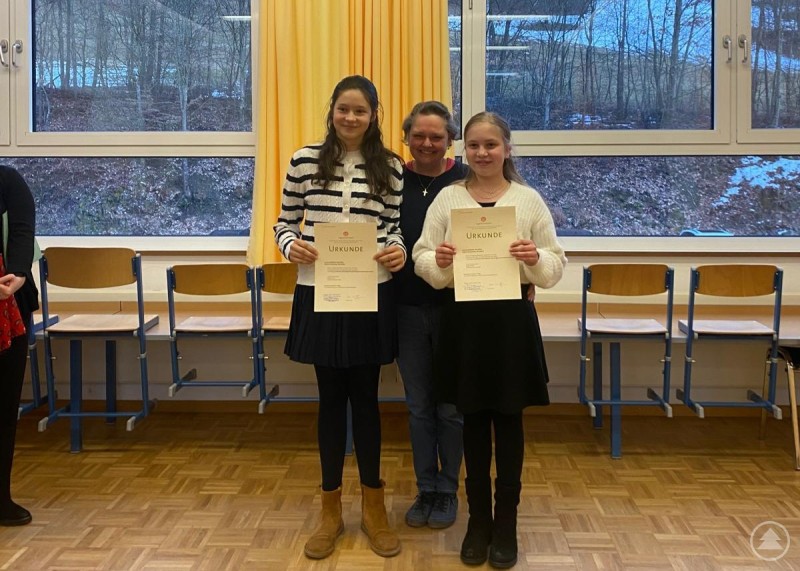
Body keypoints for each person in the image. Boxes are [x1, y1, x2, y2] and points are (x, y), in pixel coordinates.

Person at [412, 112, 566, 568]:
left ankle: (506, 525)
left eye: (491, 145)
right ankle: (478, 524)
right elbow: (423, 256)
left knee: (510, 423)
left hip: (511, 324)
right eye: (474, 146)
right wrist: (437, 259)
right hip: (463, 322)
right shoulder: (447, 198)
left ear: (507, 149)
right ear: (463, 150)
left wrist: (535, 257)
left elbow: (555, 266)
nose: (482, 153)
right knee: (472, 424)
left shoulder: (528, 200)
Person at [273, 75, 405, 559]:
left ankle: (375, 507)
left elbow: (393, 226)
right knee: (330, 401)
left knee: (366, 400)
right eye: (343, 109)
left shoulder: (390, 166)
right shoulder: (303, 160)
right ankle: (330, 510)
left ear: (374, 116)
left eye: (361, 111)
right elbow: (284, 222)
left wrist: (396, 250)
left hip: (370, 293)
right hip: (319, 292)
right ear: (332, 111)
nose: (351, 118)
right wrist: (291, 246)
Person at [394, 101, 468, 529]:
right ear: (407, 138)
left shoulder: (466, 179)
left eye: (436, 136)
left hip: (457, 309)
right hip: (405, 307)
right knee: (419, 405)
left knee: (451, 407)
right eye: (419, 135)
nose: (426, 143)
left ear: (449, 140)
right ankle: (425, 489)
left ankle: (448, 490)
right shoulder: (392, 180)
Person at [0, 165, 39, 527]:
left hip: (10, 304)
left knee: (3, 405)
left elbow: (23, 231)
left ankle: (0, 498)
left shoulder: (9, 180)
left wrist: (16, 273)